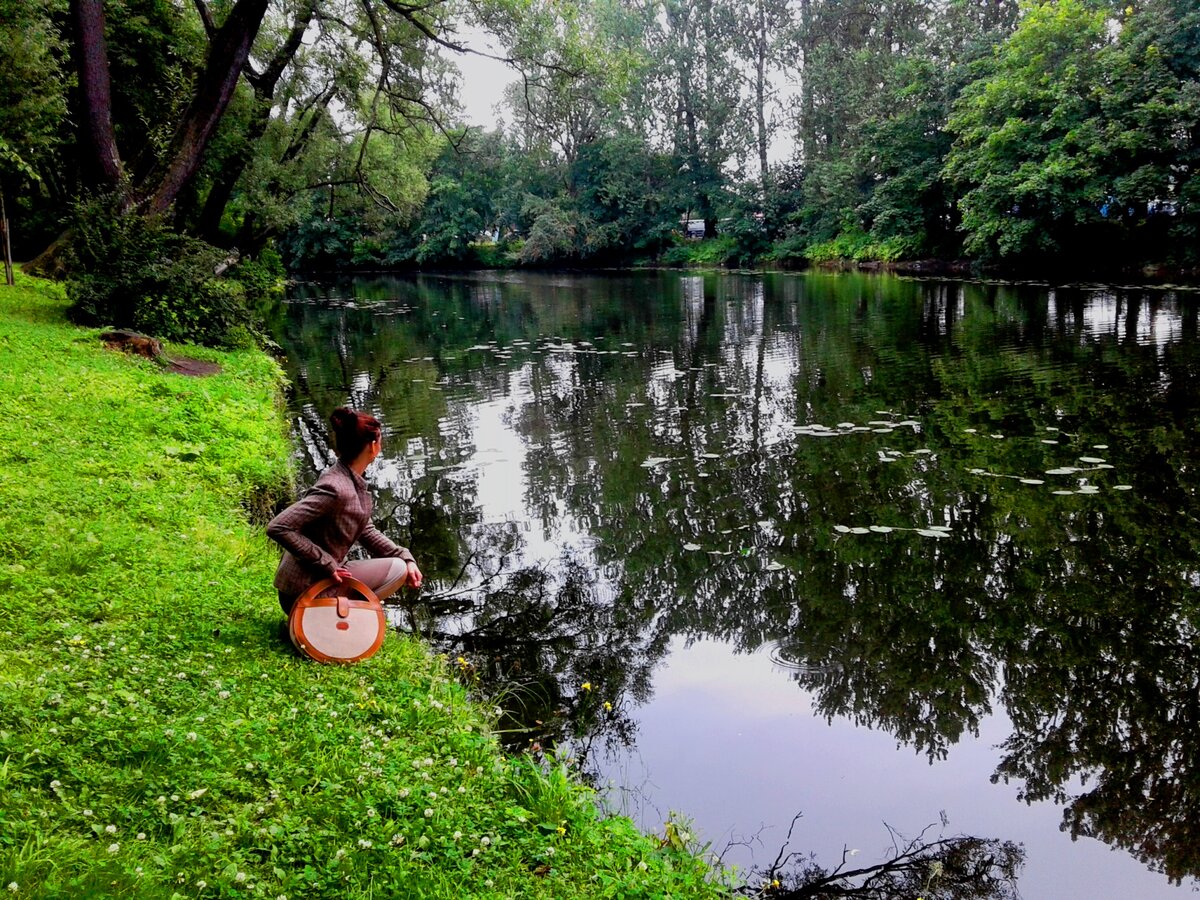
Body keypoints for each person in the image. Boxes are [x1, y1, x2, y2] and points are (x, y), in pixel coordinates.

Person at [267, 407, 423, 615]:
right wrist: (325, 562)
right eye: (380, 440)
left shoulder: (348, 478)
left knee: (401, 565)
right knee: (397, 571)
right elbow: (278, 526)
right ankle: (330, 620)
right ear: (373, 446)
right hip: (303, 591)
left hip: (319, 579)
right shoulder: (336, 488)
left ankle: (333, 619)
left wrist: (405, 556)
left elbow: (366, 530)